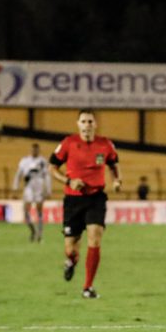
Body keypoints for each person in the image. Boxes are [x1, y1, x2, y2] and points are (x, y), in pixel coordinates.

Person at [49, 109, 122, 299]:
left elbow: (114, 164)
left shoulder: (105, 144)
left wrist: (117, 180)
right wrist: (68, 181)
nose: (87, 125)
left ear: (95, 125)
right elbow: (52, 167)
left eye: (90, 121)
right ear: (78, 124)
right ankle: (71, 261)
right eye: (84, 121)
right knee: (70, 248)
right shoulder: (68, 143)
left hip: (96, 198)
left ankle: (87, 287)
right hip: (73, 200)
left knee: (95, 238)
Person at [12, 143, 51, 242]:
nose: (34, 151)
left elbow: (47, 176)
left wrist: (48, 190)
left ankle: (40, 234)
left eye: (36, 150)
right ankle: (33, 230)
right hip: (28, 188)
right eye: (33, 149)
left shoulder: (43, 161)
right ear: (31, 150)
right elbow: (18, 175)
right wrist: (15, 188)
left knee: (39, 211)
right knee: (25, 211)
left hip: (39, 188)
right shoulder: (24, 161)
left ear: (39, 150)